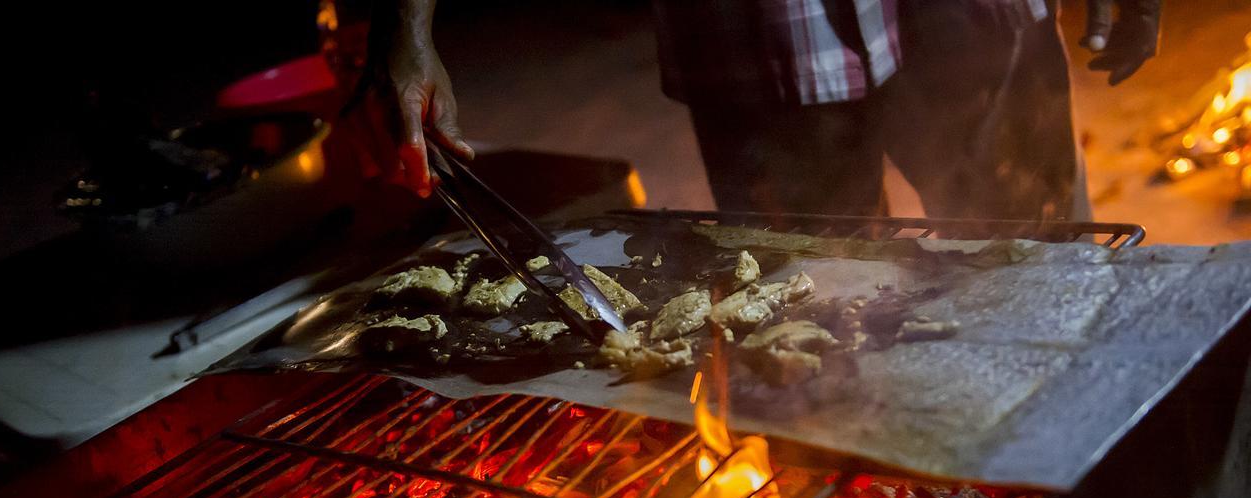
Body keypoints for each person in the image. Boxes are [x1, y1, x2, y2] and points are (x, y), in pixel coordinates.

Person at [360, 0, 1160, 220]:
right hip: (760, 32)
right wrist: (406, 20)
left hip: (977, 18)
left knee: (1058, 284)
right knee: (827, 353)